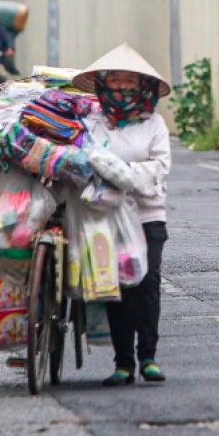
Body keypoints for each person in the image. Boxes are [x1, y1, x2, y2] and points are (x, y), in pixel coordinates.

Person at [73, 44, 172, 387]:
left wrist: (123, 173)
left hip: (147, 214)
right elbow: (82, 161)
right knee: (114, 283)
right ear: (103, 85)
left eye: (130, 81)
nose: (122, 88)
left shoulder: (154, 124)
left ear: (143, 87)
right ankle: (124, 363)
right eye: (115, 81)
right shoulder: (91, 123)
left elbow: (160, 166)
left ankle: (148, 357)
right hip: (105, 215)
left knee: (146, 284)